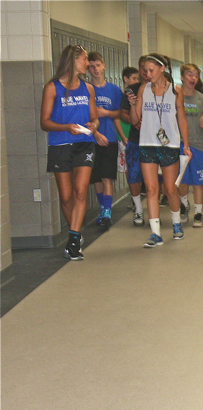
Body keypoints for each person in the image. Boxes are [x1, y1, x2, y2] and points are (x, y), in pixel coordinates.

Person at [40, 44, 99, 260]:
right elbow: (44, 122)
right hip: (60, 145)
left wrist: (93, 125)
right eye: (84, 60)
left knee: (80, 191)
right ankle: (76, 231)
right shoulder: (52, 88)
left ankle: (73, 241)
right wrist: (66, 127)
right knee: (66, 198)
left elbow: (95, 118)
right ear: (73, 61)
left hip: (84, 144)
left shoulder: (88, 88)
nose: (88, 64)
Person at [128, 53, 192, 248]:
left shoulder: (175, 91)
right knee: (151, 189)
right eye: (145, 71)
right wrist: (132, 105)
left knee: (170, 189)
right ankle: (155, 233)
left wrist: (186, 145)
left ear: (162, 69)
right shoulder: (143, 89)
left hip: (169, 144)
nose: (147, 74)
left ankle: (176, 222)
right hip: (147, 143)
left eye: (151, 70)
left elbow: (181, 118)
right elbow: (134, 120)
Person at [87, 51, 125, 229]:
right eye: (91, 66)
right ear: (88, 69)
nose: (95, 69)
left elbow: (121, 113)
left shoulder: (114, 90)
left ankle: (108, 212)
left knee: (107, 176)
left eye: (98, 65)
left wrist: (106, 113)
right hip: (91, 140)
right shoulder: (85, 89)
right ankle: (102, 209)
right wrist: (94, 132)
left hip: (109, 138)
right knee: (96, 178)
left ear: (104, 66)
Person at [177, 64, 203, 227]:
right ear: (182, 77)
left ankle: (198, 213)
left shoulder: (201, 99)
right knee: (182, 180)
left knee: (198, 181)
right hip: (178, 144)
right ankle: (184, 206)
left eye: (195, 75)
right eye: (189, 75)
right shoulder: (175, 95)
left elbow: (201, 124)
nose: (192, 78)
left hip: (197, 144)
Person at [120, 56, 149, 226]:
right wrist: (134, 120)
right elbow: (122, 113)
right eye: (142, 69)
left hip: (155, 142)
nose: (145, 72)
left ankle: (154, 210)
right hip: (135, 140)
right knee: (133, 175)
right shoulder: (130, 90)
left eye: (149, 68)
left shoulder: (161, 89)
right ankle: (138, 209)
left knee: (154, 178)